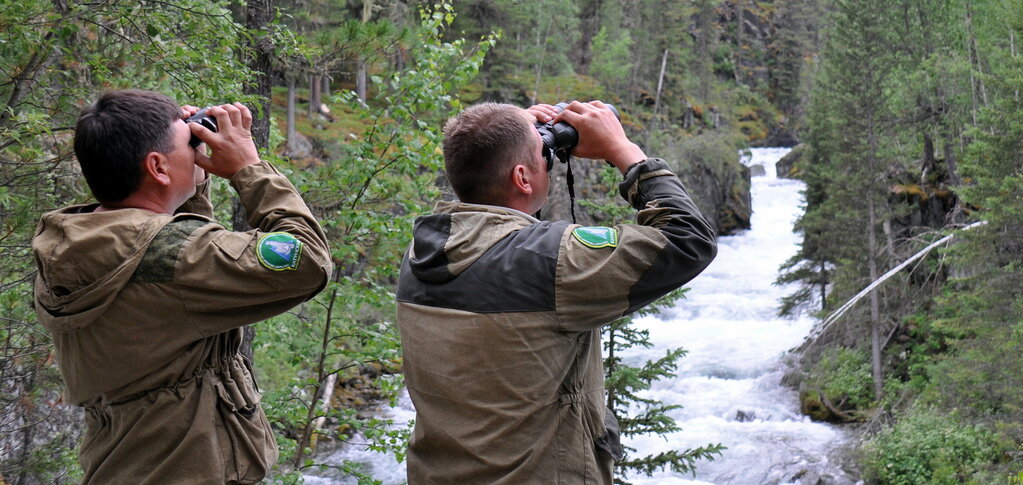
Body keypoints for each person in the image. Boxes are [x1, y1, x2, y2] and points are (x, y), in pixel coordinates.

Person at [395, 99, 719, 484]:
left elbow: (503, 230)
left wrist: (509, 134)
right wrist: (623, 151)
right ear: (521, 178)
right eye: (542, 156)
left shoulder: (422, 252)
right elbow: (689, 240)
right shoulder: (547, 263)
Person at [32, 90, 333, 484]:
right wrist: (250, 167)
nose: (196, 147)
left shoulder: (77, 245)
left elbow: (177, 252)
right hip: (188, 470)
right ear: (157, 166)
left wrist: (191, 180)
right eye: (187, 144)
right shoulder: (175, 259)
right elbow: (309, 261)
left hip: (124, 466)